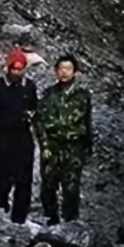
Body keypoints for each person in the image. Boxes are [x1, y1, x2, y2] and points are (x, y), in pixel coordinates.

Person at [0, 46, 38, 222]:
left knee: (24, 181)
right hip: (3, 137)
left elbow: (34, 110)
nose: (16, 73)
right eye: (14, 69)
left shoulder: (29, 87)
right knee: (0, 179)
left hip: (23, 138)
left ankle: (19, 220)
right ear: (8, 68)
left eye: (20, 70)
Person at [36, 53, 93, 224]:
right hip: (52, 146)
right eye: (61, 68)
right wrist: (44, 145)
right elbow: (39, 122)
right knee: (49, 184)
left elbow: (87, 122)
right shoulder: (48, 94)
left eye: (68, 69)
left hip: (74, 147)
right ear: (56, 71)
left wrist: (88, 147)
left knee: (72, 187)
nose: (64, 72)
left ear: (75, 72)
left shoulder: (83, 95)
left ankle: (71, 222)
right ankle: (51, 219)